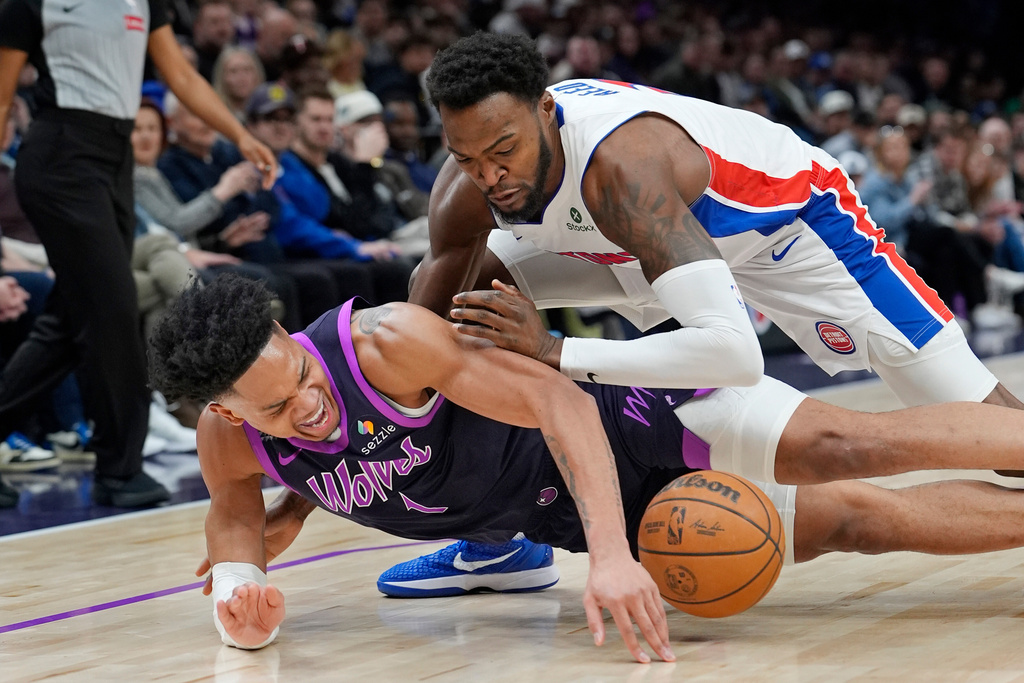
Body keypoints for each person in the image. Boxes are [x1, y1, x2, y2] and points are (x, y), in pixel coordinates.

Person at [395, 32, 1024, 587]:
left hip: (790, 228)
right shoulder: (470, 183)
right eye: (468, 157)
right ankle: (497, 541)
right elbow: (400, 348)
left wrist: (556, 350)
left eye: (504, 150)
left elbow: (734, 354)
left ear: (545, 111)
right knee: (463, 306)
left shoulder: (620, 167)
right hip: (639, 246)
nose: (491, 175)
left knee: (989, 428)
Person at [149, 274, 1024, 662]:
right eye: (273, 408)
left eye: (300, 371)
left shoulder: (384, 343)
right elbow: (234, 515)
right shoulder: (233, 440)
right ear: (225, 412)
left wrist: (610, 551)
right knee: (856, 521)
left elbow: (557, 403)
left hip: (629, 421)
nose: (305, 403)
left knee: (852, 446)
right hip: (557, 512)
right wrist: (241, 595)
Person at [0, 0, 277, 507]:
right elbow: (1, 98)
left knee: (70, 317)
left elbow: (182, 76)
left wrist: (240, 135)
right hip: (60, 156)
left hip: (116, 158)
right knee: (112, 306)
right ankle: (119, 468)